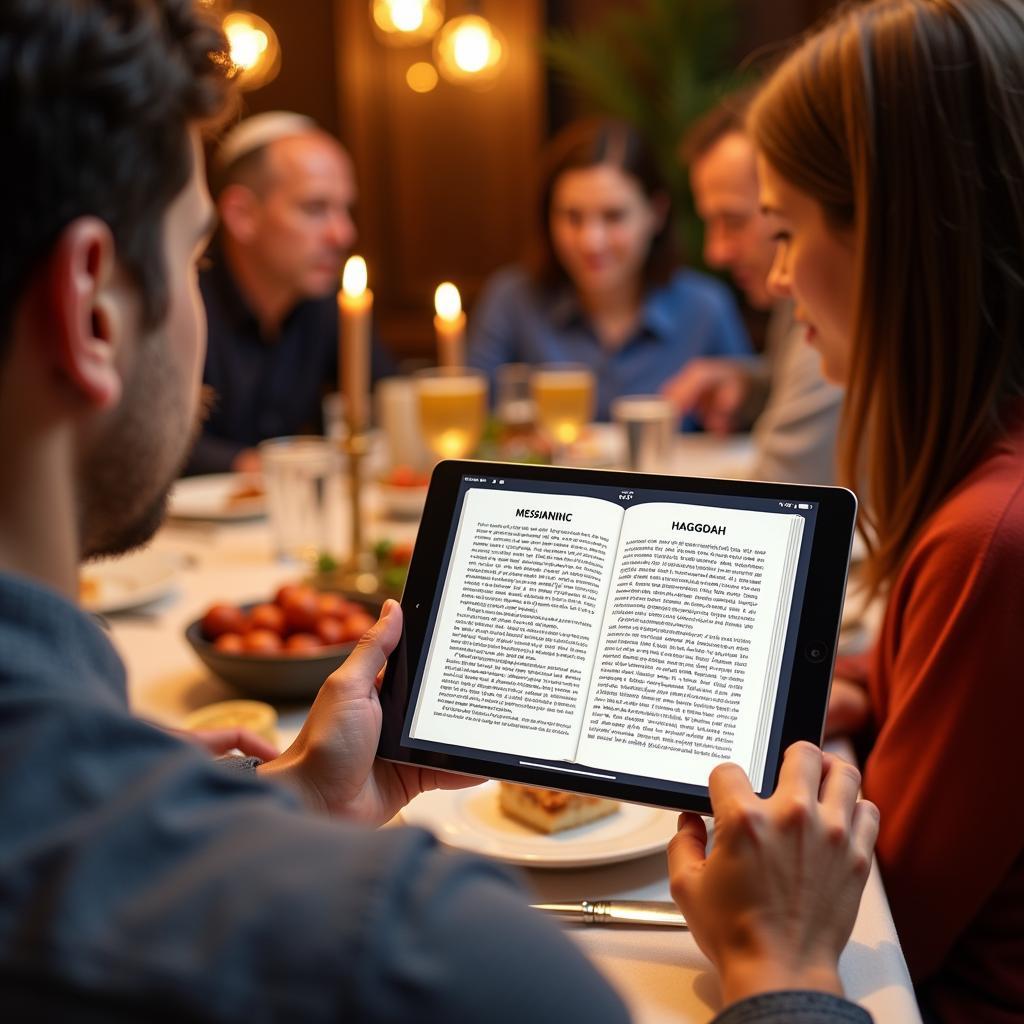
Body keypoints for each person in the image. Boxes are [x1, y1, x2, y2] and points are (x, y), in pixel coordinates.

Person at [0, 1, 879, 1020]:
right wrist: (788, 972)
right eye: (196, 256)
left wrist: (293, 805)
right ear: (94, 308)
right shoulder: (429, 956)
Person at [747, 0, 1024, 1019]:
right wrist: (865, 682)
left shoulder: (993, 537)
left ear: (894, 231)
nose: (776, 277)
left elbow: (866, 911)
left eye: (784, 231)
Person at [467, 119, 752, 425]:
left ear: (656, 213)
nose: (591, 242)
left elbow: (743, 430)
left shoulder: (706, 309)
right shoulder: (512, 300)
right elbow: (478, 426)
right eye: (572, 217)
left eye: (613, 216)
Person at [186, 111, 393, 476]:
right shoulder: (182, 304)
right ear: (242, 214)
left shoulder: (331, 305)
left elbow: (384, 400)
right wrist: (258, 466)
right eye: (315, 209)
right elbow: (137, 440)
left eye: (345, 209)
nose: (343, 234)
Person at [662, 91, 843, 485]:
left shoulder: (832, 306)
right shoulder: (793, 302)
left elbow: (784, 489)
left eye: (734, 221)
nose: (715, 253)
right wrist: (750, 386)